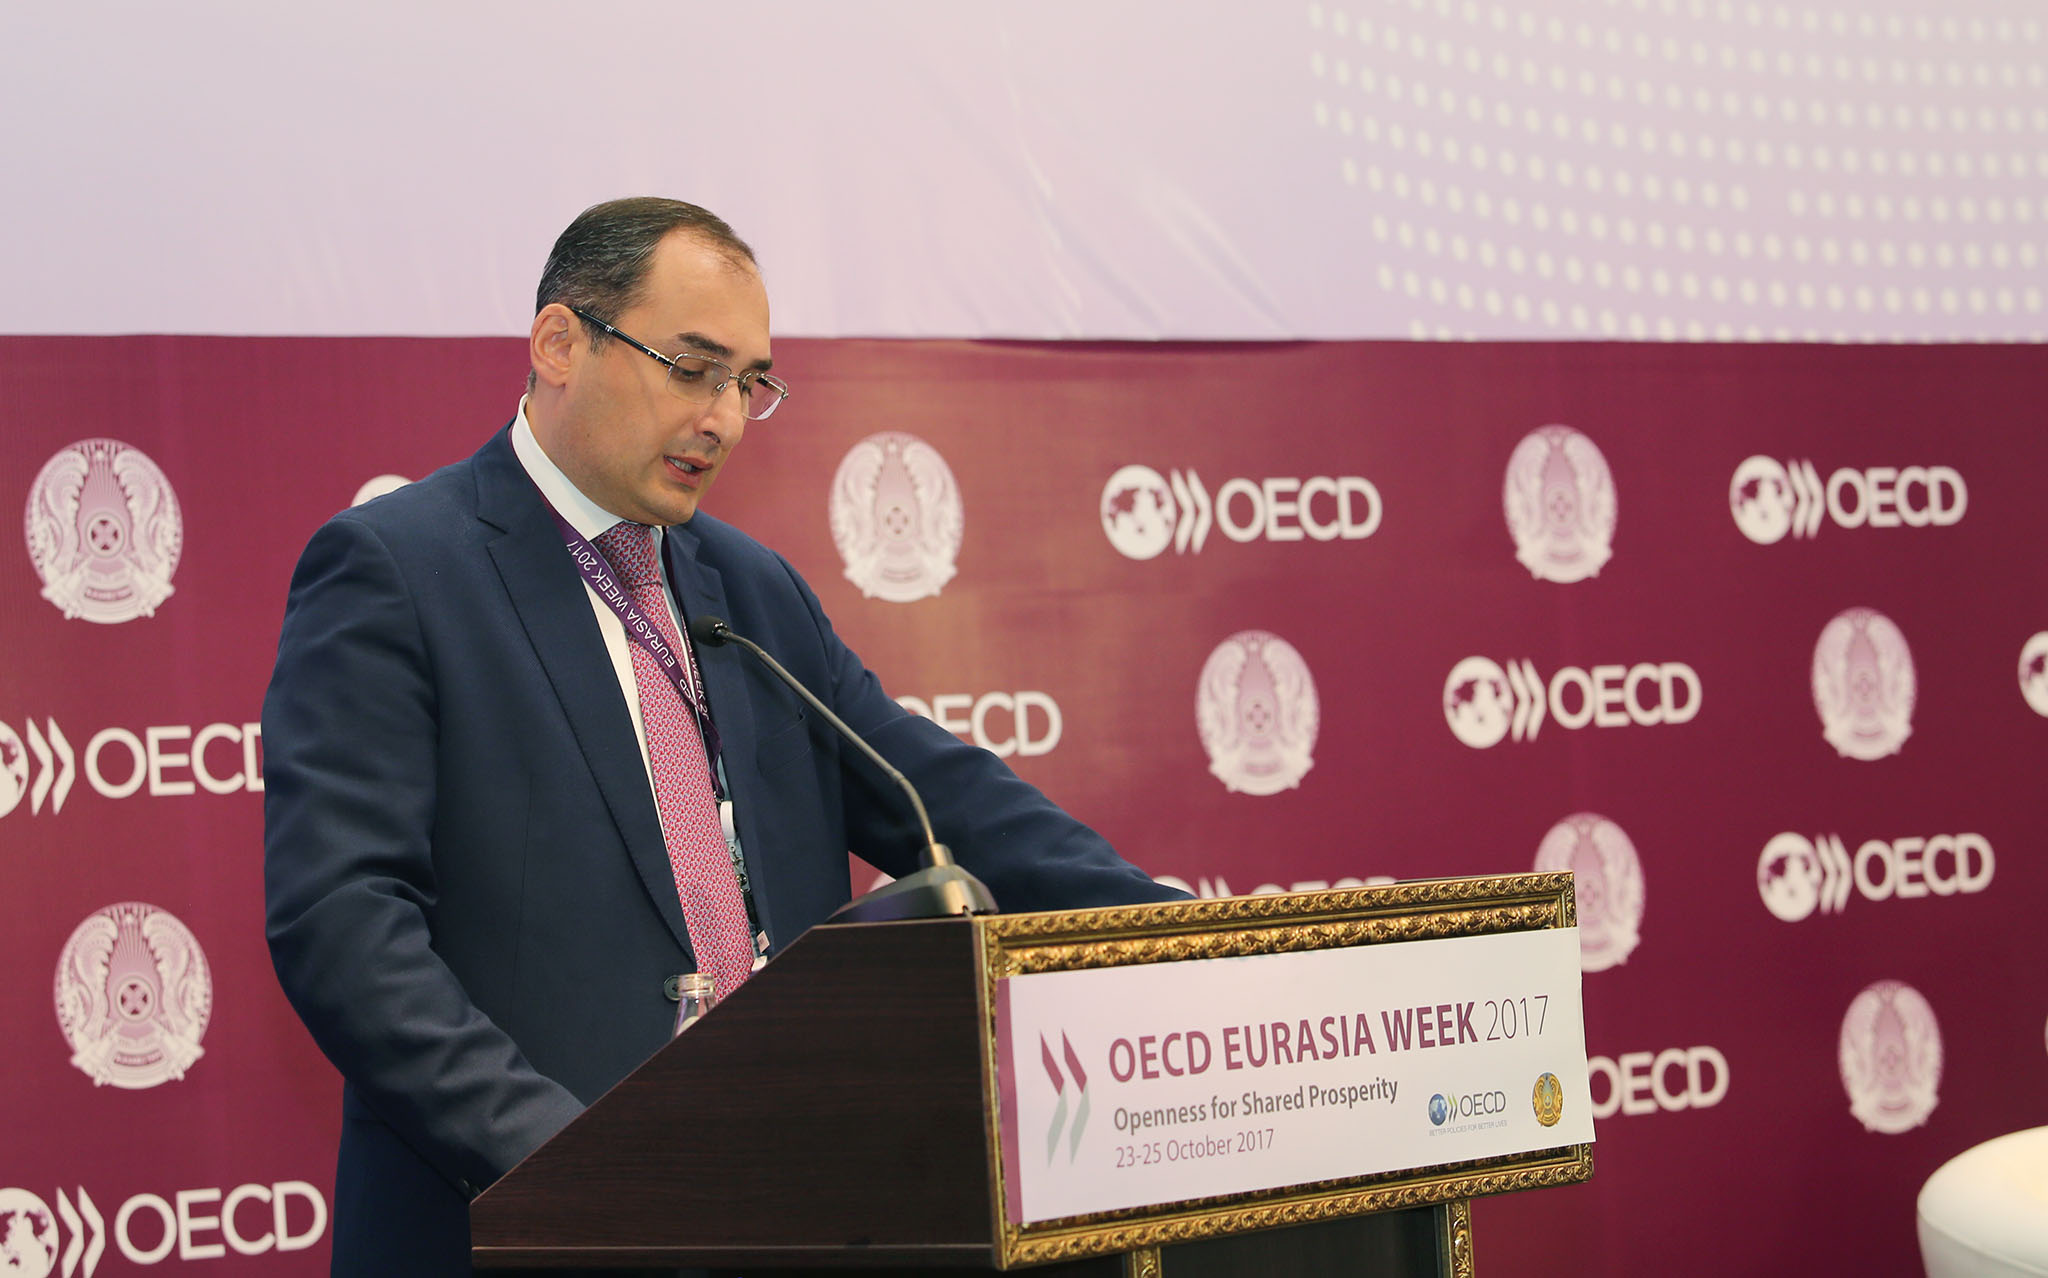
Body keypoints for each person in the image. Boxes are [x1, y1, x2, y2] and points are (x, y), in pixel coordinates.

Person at [262, 197, 1184, 1276]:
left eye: (750, 384)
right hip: (527, 1228)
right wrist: (572, 1164)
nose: (724, 419)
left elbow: (939, 796)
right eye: (693, 369)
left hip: (783, 1208)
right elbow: (344, 925)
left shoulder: (751, 587)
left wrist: (1178, 937)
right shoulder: (397, 570)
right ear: (559, 344)